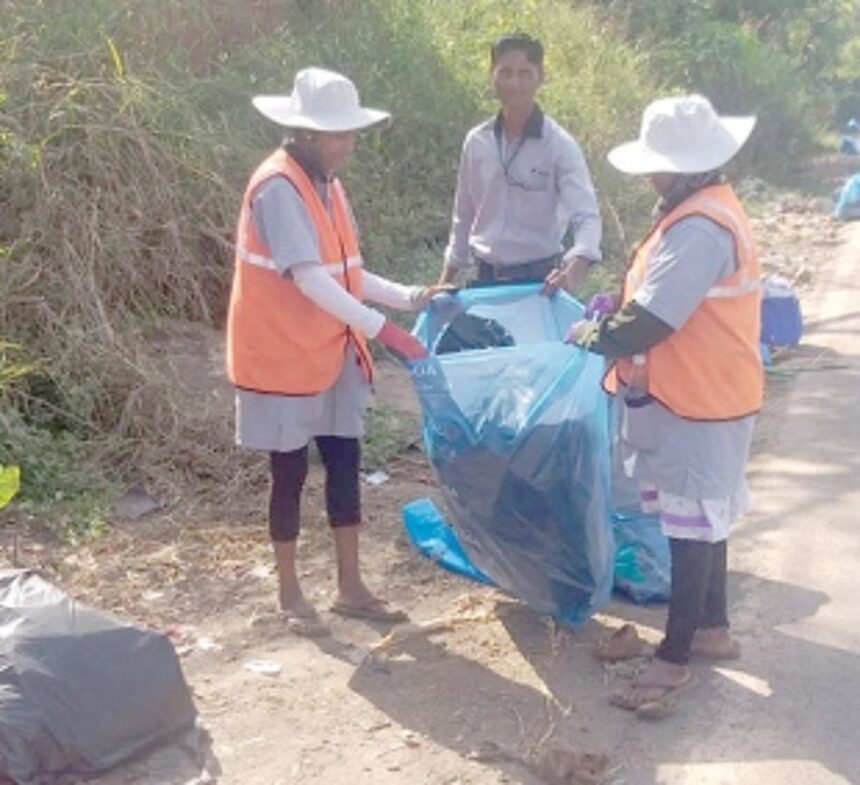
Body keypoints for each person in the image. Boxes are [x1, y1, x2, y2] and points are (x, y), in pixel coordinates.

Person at [227, 67, 440, 636]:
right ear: (301, 132)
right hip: (281, 354)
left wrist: (411, 296)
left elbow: (348, 272)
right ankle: (289, 591)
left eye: (348, 133)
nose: (345, 144)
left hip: (329, 347)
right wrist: (386, 330)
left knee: (345, 460)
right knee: (289, 472)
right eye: (335, 134)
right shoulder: (277, 187)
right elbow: (309, 280)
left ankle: (350, 586)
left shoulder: (326, 183)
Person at [567, 94, 762, 715]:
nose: (650, 175)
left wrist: (595, 336)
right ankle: (711, 628)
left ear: (677, 167)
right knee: (705, 520)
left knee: (689, 528)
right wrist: (616, 302)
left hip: (697, 398)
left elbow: (654, 318)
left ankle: (674, 657)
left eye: (656, 165)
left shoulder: (700, 225)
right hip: (712, 390)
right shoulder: (706, 208)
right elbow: (658, 292)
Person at [438, 32, 602, 292]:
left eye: (524, 73)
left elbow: (587, 216)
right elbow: (463, 216)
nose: (514, 83)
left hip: (539, 280)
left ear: (541, 77)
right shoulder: (477, 142)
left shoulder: (559, 145)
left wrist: (575, 266)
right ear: (492, 75)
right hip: (484, 278)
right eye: (506, 72)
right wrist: (445, 281)